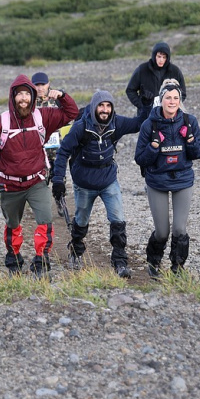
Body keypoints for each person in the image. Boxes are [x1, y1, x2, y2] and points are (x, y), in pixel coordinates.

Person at [0, 75, 79, 278]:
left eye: (27, 94)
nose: (23, 98)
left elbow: (71, 113)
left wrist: (62, 96)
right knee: (12, 225)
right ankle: (14, 259)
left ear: (32, 96)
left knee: (45, 221)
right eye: (19, 94)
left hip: (36, 182)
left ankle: (41, 260)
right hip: (10, 186)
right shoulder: (0, 122)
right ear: (12, 97)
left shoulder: (43, 117)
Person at [52, 90, 147, 278]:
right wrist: (57, 181)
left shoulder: (117, 123)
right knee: (81, 222)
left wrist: (145, 104)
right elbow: (63, 153)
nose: (105, 110)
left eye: (108, 106)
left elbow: (139, 124)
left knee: (118, 221)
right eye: (101, 106)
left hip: (108, 180)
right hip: (84, 182)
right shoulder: (80, 127)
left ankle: (120, 262)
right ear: (94, 107)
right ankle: (76, 250)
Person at [134, 82, 200, 277]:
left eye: (176, 98)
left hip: (182, 180)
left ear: (180, 100)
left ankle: (177, 268)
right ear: (161, 100)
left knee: (180, 229)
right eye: (168, 98)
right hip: (157, 181)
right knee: (162, 232)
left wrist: (190, 140)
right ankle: (154, 262)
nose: (172, 101)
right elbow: (139, 158)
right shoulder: (149, 125)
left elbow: (199, 152)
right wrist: (154, 147)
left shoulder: (189, 121)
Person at [126, 42, 187, 113]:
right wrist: (142, 105)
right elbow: (130, 90)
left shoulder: (175, 71)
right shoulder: (142, 70)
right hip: (146, 114)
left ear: (167, 58)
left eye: (164, 57)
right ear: (154, 55)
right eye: (159, 56)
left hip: (168, 114)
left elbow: (182, 93)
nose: (161, 60)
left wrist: (172, 105)